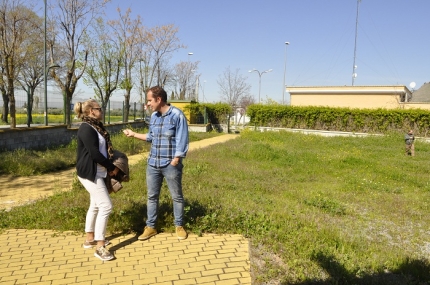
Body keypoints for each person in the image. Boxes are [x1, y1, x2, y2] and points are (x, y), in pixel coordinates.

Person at [123, 86, 189, 240]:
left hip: (170, 164)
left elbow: (183, 139)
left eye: (150, 100)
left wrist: (176, 159)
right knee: (152, 196)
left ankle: (179, 226)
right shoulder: (154, 117)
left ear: (159, 100)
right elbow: (150, 137)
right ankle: (151, 227)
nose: (148, 104)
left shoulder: (177, 115)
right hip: (153, 163)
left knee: (176, 197)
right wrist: (133, 134)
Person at [74, 99, 120, 261]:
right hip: (90, 173)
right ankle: (100, 246)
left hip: (98, 171)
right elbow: (94, 154)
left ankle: (90, 239)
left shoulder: (96, 127)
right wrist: (110, 167)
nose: (102, 111)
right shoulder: (86, 128)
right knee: (106, 206)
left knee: (95, 205)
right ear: (91, 111)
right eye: (99, 108)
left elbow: (101, 149)